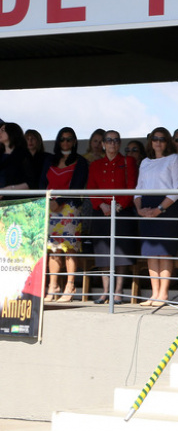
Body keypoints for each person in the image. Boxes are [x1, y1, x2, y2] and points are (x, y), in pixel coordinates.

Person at [133, 127, 178, 307]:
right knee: (150, 252)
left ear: (167, 141)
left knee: (164, 250)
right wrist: (140, 208)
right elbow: (138, 189)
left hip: (167, 206)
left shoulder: (174, 158)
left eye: (162, 139)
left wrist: (160, 209)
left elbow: (177, 188)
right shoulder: (145, 162)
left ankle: (163, 293)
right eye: (155, 138)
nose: (158, 142)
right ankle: (154, 293)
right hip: (146, 205)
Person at [86, 130, 138, 304]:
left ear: (119, 143)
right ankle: (105, 290)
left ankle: (118, 290)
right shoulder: (95, 164)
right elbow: (91, 188)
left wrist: (117, 206)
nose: (112, 144)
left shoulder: (127, 161)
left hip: (122, 210)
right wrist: (102, 205)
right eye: (108, 140)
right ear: (103, 144)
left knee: (121, 251)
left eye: (116, 140)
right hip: (101, 211)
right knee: (103, 251)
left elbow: (132, 186)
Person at [41, 127, 89, 303]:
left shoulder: (80, 161)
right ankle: (53, 286)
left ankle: (70, 285)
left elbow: (77, 185)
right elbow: (42, 182)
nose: (66, 142)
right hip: (49, 207)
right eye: (62, 139)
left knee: (69, 248)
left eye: (69, 139)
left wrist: (59, 201)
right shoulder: (49, 160)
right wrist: (47, 201)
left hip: (69, 207)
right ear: (57, 141)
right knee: (52, 248)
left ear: (75, 141)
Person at [0, 122, 34, 198]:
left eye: (3, 130)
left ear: (12, 132)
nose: (0, 132)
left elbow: (31, 182)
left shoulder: (23, 155)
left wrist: (9, 189)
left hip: (15, 202)